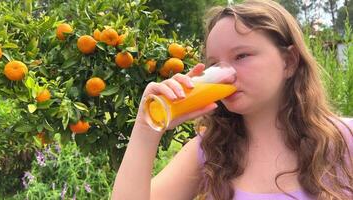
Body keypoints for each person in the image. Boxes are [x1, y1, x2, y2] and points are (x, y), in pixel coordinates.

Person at [112, 0, 353, 199]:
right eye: (215, 64)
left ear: (288, 61)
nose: (226, 73)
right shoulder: (209, 151)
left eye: (241, 56)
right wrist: (146, 129)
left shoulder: (345, 139)